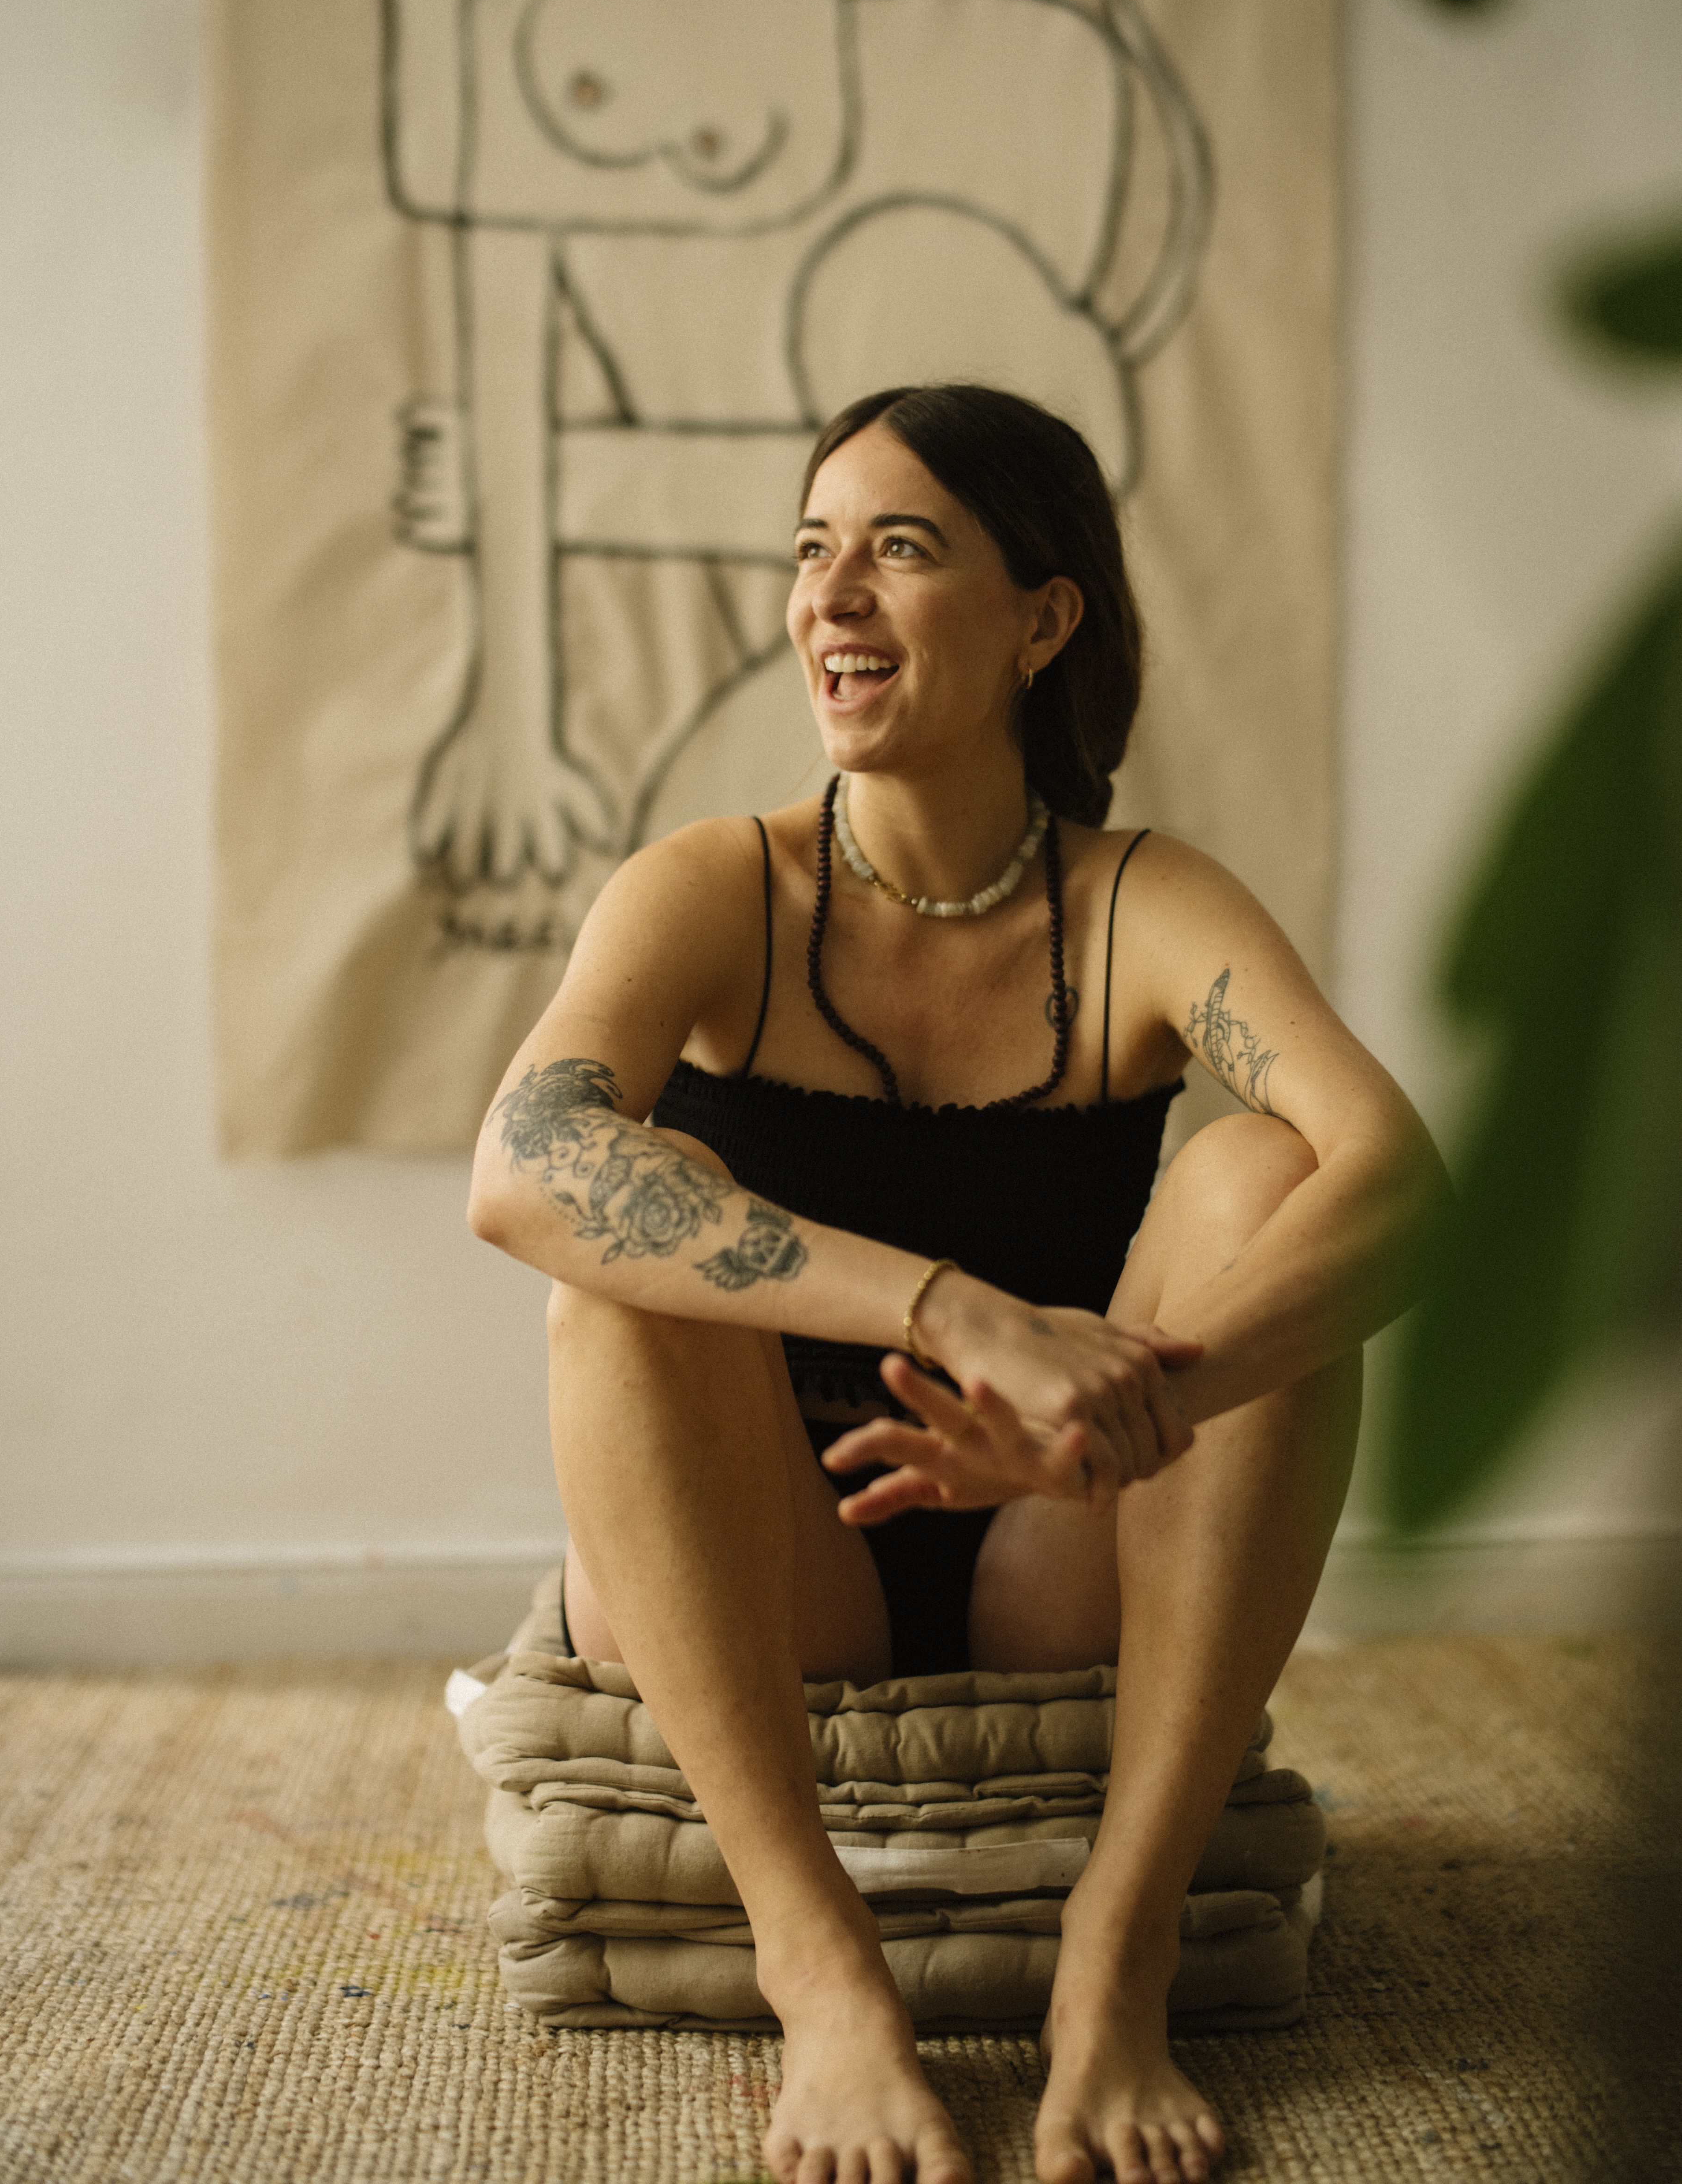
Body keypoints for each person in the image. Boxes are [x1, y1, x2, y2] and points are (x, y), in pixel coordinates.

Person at [467, 385, 1446, 2184]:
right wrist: (953, 1310)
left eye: (900, 549)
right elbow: (520, 1164)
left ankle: (1115, 1956)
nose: (830, 597)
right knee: (627, 1240)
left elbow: (1404, 1178)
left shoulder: (1142, 903)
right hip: (776, 1559)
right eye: (811, 551)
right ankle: (822, 1970)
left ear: (1041, 619)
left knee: (1263, 1174)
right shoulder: (716, 887)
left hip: (1053, 1553)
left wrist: (1135, 1401)